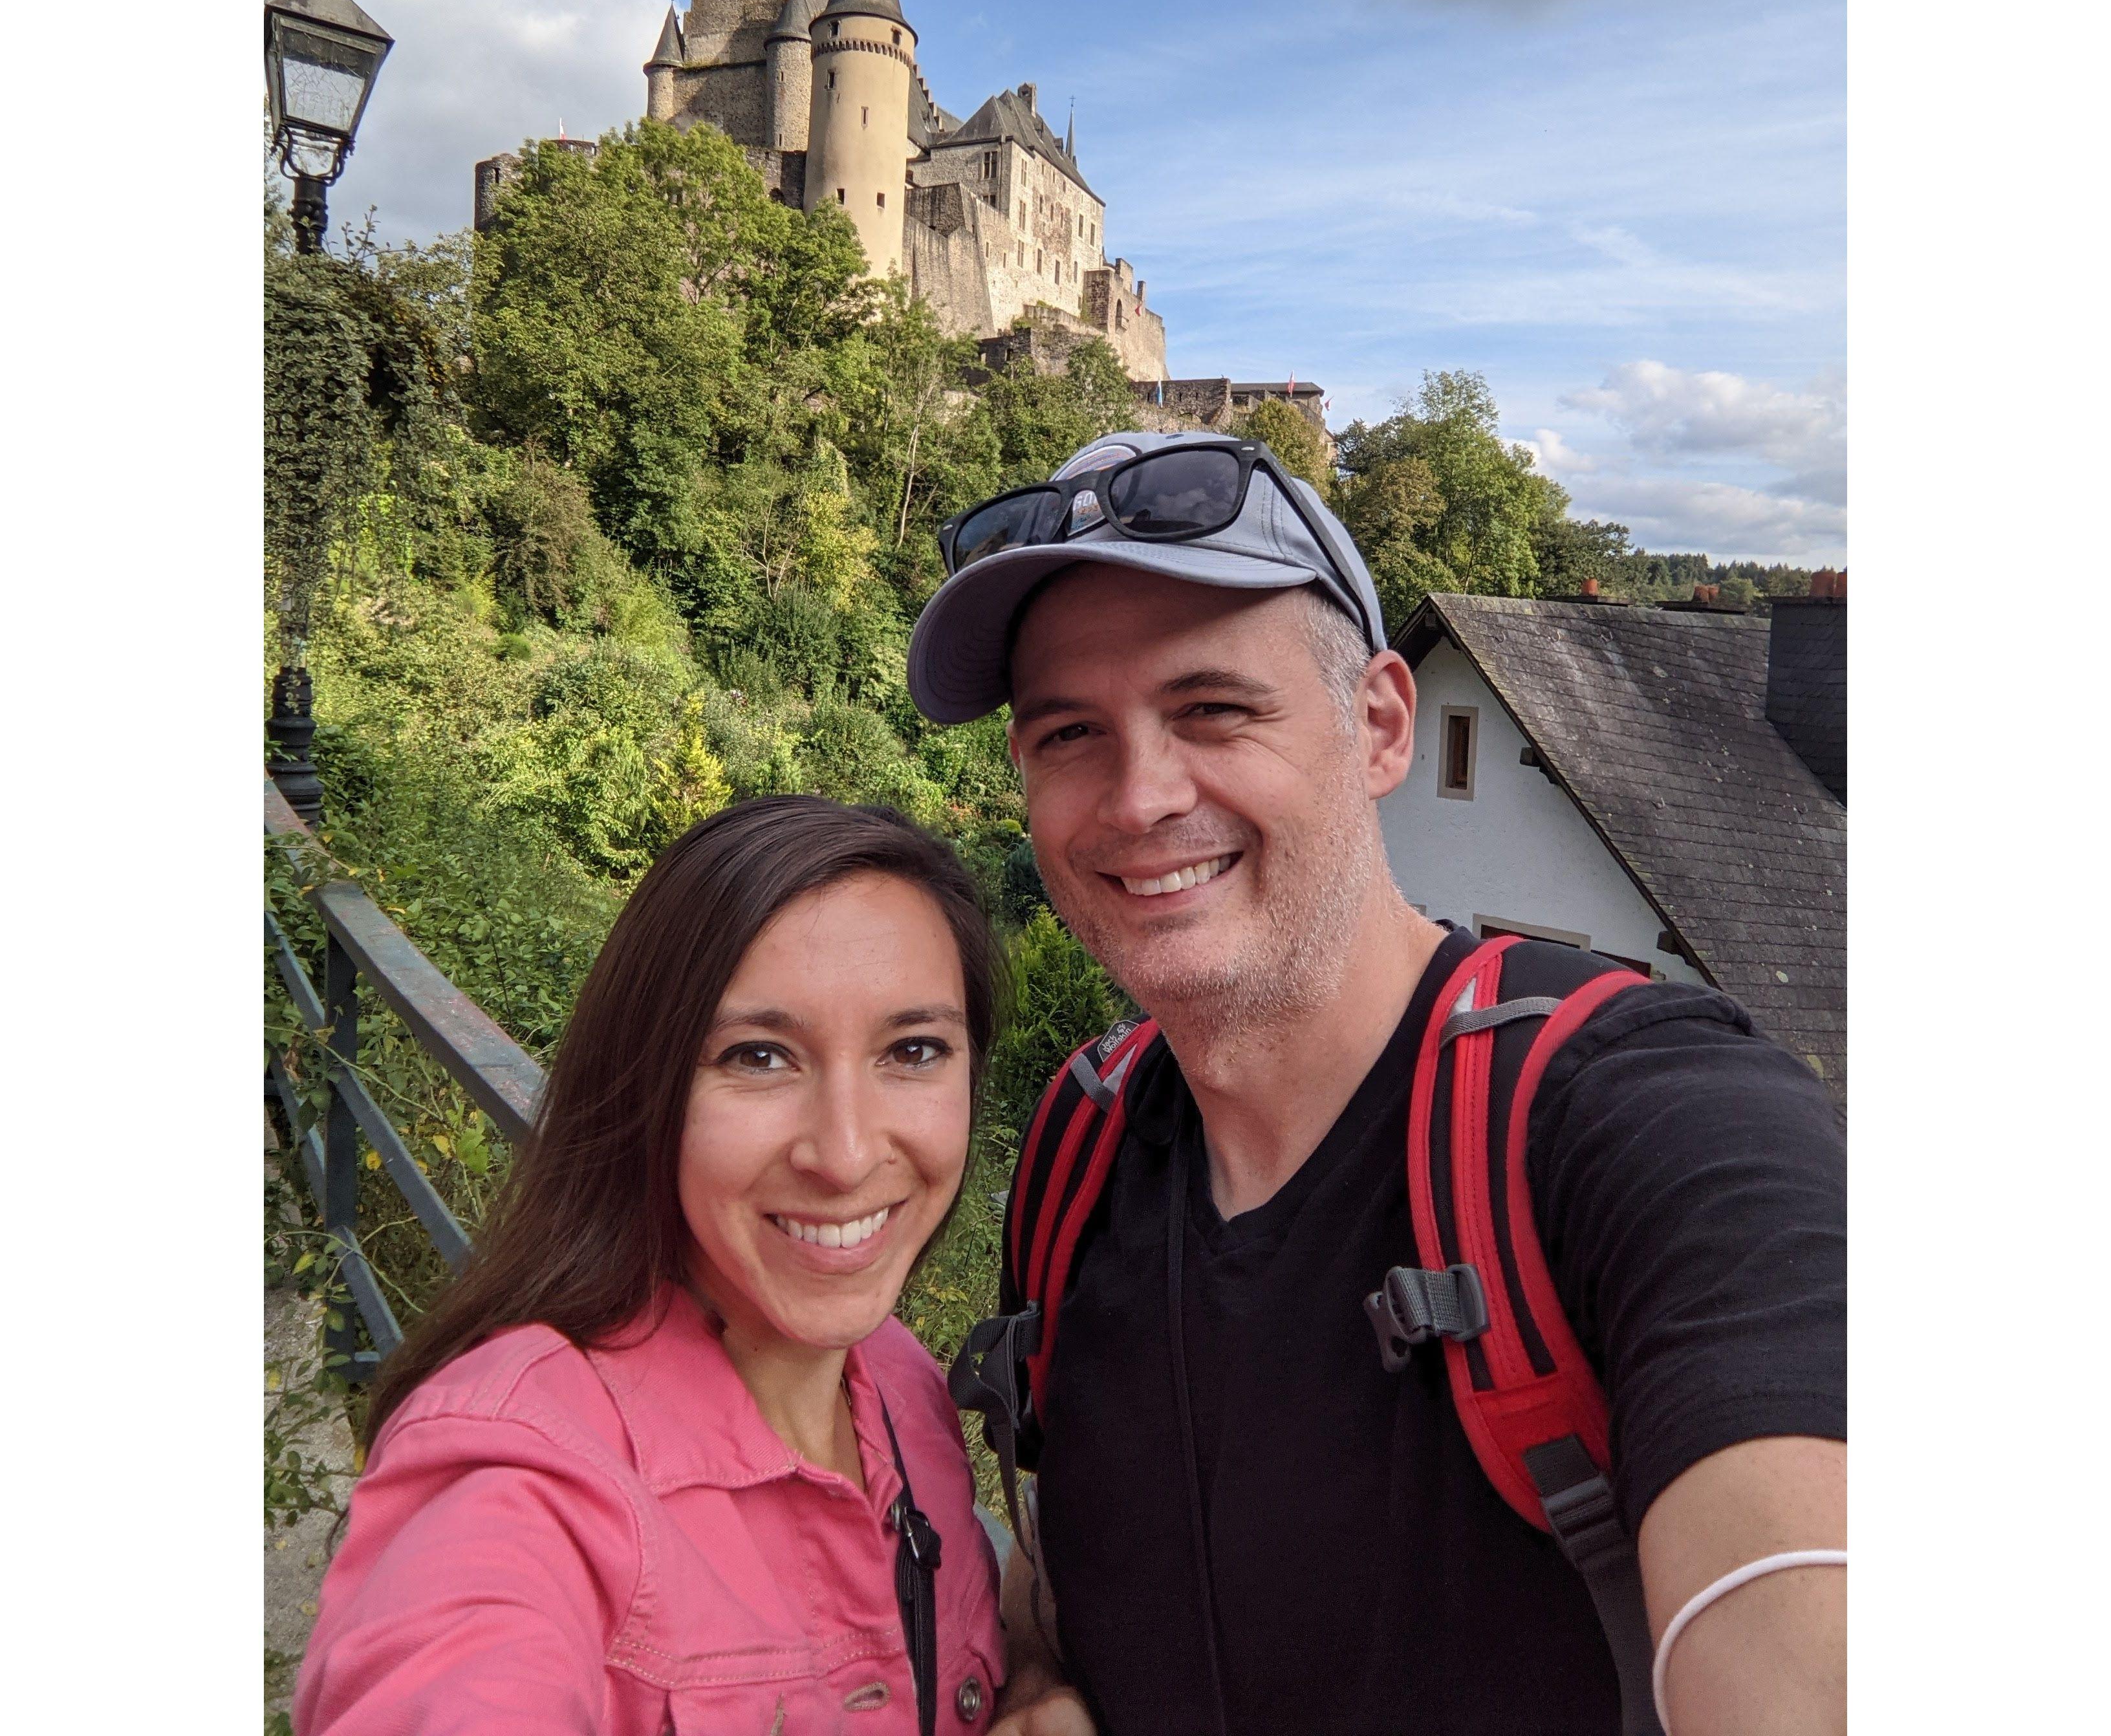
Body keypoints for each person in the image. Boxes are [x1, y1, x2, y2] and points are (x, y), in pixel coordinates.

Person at [905, 432, 1846, 1736]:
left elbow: (1809, 1605)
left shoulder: (1638, 1119)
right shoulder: (1080, 1145)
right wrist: (1044, 1684)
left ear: (1383, 725)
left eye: (1213, 709)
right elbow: (1091, 1586)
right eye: (1070, 734)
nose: (1140, 797)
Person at [296, 796, 1007, 1736]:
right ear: (650, 1083)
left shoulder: (906, 1388)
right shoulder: (523, 1474)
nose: (843, 1154)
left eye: (913, 1051)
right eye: (759, 1057)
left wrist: (1030, 1689)